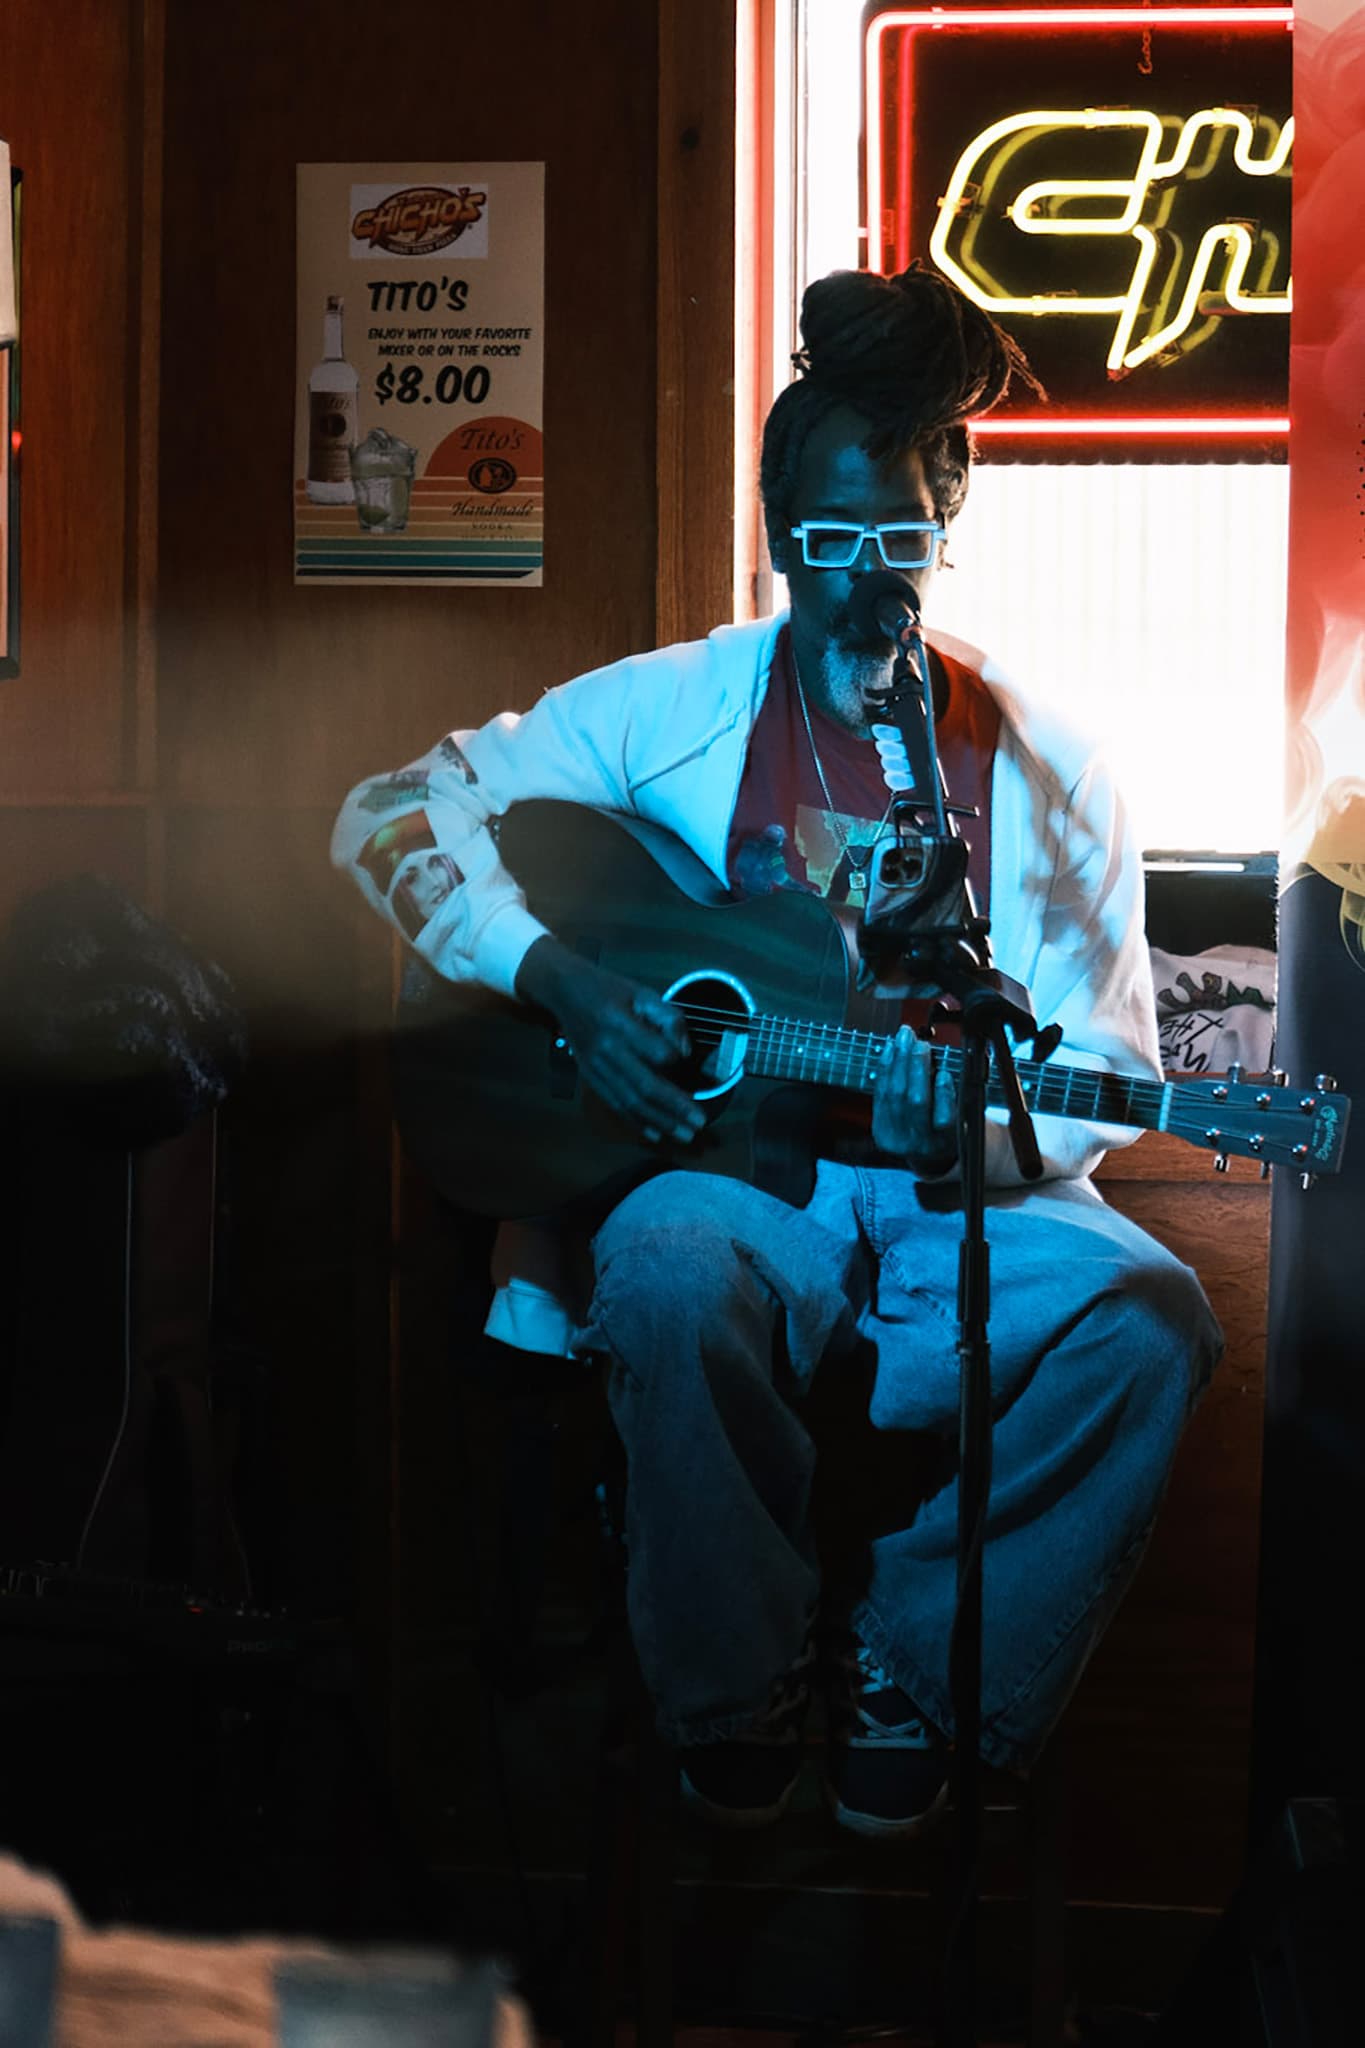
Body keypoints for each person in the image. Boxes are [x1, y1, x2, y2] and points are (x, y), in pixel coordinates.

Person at [332, 265, 1221, 1838]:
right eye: (821, 541)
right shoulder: (666, 707)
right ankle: (729, 1687)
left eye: (896, 545)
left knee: (1149, 1313)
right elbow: (383, 810)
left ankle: (917, 1674)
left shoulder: (1046, 763)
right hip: (740, 1190)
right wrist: (557, 981)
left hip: (966, 1205)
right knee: (670, 1268)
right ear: (773, 530)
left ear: (943, 536)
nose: (856, 581)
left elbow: (1101, 1064)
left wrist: (988, 1122)